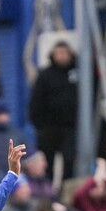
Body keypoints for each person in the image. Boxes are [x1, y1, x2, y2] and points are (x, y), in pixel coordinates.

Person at [28, 40, 78, 182]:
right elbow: (36, 101)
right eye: (58, 53)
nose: (62, 56)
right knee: (47, 162)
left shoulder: (79, 72)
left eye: (64, 53)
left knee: (69, 159)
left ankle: (66, 187)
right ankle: (48, 189)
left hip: (70, 127)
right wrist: (38, 125)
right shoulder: (45, 75)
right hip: (49, 128)